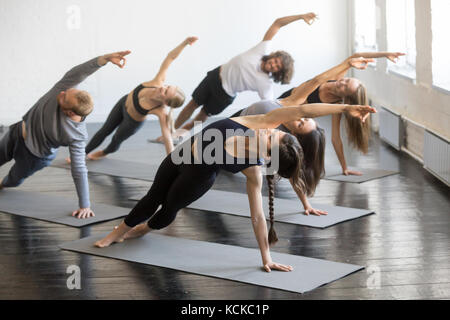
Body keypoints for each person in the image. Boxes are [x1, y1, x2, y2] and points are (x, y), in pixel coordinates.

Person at [93, 102, 376, 273]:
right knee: (152, 196)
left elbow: (257, 215)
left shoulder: (253, 167)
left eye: (271, 140)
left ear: (268, 155)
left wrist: (267, 257)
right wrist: (346, 108)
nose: (270, 132)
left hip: (198, 177)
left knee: (168, 209)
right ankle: (118, 232)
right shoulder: (260, 122)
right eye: (277, 132)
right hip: (179, 156)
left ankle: (144, 228)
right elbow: (303, 109)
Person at [232, 52, 404, 215]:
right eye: (304, 118)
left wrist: (306, 204)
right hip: (248, 119)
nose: (341, 83)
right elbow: (317, 83)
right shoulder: (291, 105)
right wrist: (372, 58)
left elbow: (295, 173)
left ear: (293, 134)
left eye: (301, 123)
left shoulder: (275, 135)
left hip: (235, 142)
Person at [0, 51, 131, 218]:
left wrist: (85, 205)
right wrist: (104, 59)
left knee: (13, 180)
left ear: (69, 112)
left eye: (64, 97)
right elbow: (79, 72)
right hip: (17, 132)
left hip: (34, 156)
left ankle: (3, 184)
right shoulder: (64, 89)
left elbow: (79, 169)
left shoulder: (77, 135)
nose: (61, 93)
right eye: (66, 92)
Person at [162, 12, 317, 142]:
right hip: (215, 77)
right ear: (273, 56)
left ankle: (177, 135)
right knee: (191, 104)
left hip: (225, 95)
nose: (274, 65)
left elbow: (272, 107)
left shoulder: (266, 84)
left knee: (202, 115)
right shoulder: (262, 49)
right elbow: (277, 23)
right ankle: (169, 132)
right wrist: (300, 16)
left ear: (278, 73)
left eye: (277, 67)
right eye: (276, 61)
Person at [277, 51, 405, 176]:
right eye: (347, 80)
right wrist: (384, 55)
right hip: (283, 101)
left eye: (345, 88)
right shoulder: (336, 78)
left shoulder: (337, 105)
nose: (342, 83)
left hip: (291, 117)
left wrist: (344, 167)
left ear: (346, 98)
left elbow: (336, 139)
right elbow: (354, 57)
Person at [84, 36, 198, 159]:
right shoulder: (158, 81)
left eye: (166, 92)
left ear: (165, 102)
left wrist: (171, 164)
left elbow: (167, 138)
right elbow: (170, 57)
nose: (163, 88)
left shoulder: (161, 111)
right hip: (123, 103)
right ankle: (82, 155)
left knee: (116, 139)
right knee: (104, 130)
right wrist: (185, 43)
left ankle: (104, 152)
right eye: (167, 87)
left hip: (131, 122)